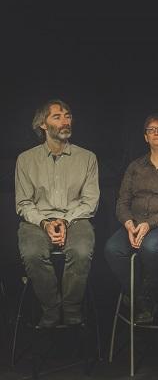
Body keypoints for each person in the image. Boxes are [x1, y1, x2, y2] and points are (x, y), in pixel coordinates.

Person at [15, 99, 99, 327]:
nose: (65, 121)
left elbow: (90, 202)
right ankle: (51, 309)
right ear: (43, 124)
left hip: (75, 218)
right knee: (33, 253)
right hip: (37, 220)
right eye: (57, 117)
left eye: (68, 116)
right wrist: (45, 223)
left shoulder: (87, 157)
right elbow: (23, 203)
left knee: (81, 251)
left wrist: (64, 220)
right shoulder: (25, 159)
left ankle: (71, 309)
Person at [104, 114, 158, 323]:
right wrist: (128, 223)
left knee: (151, 247)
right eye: (151, 129)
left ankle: (148, 294)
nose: (156, 132)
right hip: (134, 223)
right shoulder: (135, 166)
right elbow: (122, 201)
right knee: (112, 249)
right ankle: (140, 299)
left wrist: (149, 224)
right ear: (145, 137)